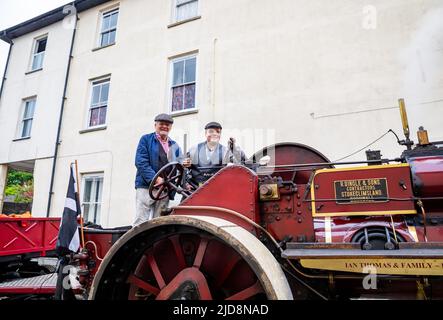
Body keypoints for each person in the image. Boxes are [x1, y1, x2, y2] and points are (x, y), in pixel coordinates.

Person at [133, 113, 182, 226]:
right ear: (155, 125)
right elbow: (141, 162)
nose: (165, 126)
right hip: (146, 187)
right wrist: (156, 179)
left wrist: (186, 165)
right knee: (141, 221)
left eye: (168, 124)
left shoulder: (174, 145)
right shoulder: (145, 139)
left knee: (160, 223)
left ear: (171, 127)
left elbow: (180, 164)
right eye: (162, 124)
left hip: (165, 189)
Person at [183, 122, 245, 187]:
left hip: (217, 189)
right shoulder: (194, 149)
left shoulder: (226, 151)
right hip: (196, 190)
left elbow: (240, 165)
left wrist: (234, 149)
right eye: (211, 132)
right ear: (205, 134)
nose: (215, 134)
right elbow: (184, 169)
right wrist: (186, 184)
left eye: (218, 132)